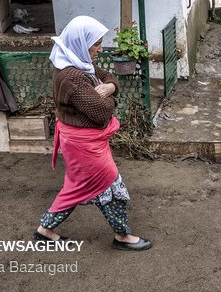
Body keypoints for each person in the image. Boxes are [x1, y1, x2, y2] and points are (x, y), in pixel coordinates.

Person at [33, 15, 151, 251]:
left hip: (81, 140)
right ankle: (122, 237)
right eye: (95, 44)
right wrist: (112, 98)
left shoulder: (77, 61)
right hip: (84, 144)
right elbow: (102, 113)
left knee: (77, 186)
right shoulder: (72, 76)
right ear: (80, 42)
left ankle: (45, 230)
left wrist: (109, 87)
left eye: (99, 42)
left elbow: (108, 77)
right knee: (110, 184)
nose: (100, 48)